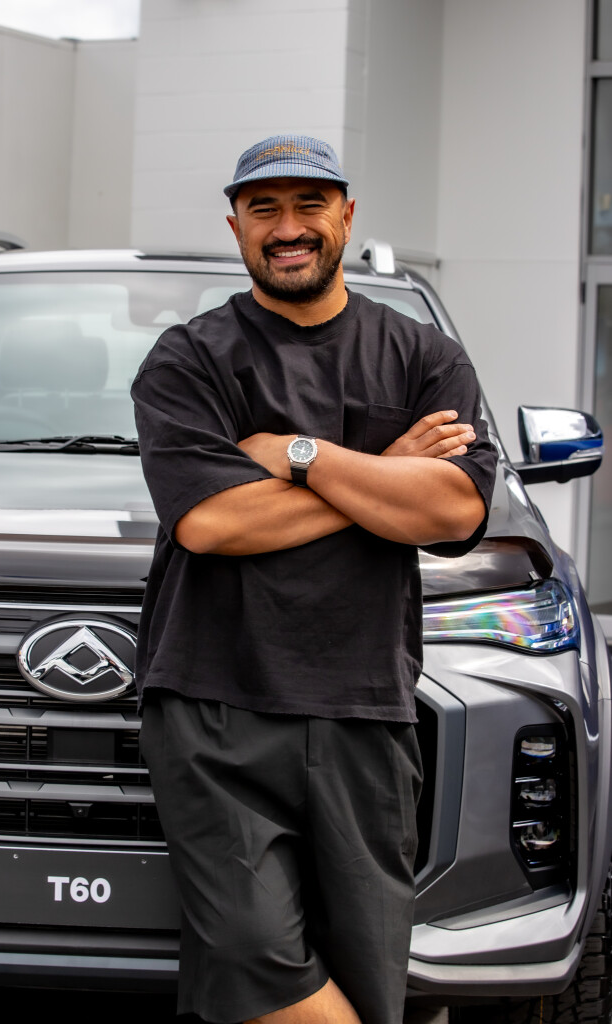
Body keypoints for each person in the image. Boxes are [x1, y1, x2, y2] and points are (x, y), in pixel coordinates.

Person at [132, 134, 497, 1024]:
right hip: (213, 700)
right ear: (235, 226)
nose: (287, 227)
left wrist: (302, 456)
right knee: (253, 949)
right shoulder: (190, 359)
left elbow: (453, 511)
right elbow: (212, 524)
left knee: (364, 972)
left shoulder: (421, 355)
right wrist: (384, 475)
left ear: (346, 216)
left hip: (363, 704)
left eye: (308, 206)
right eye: (264, 209)